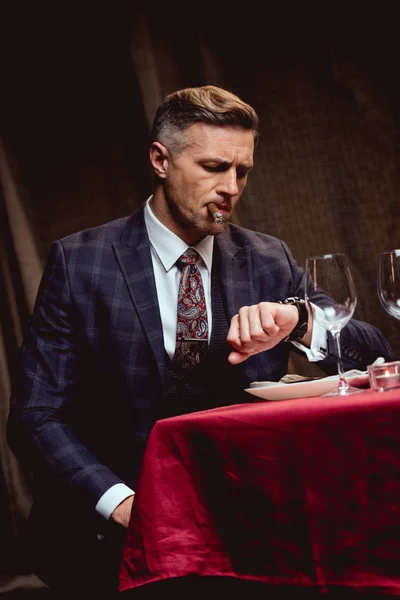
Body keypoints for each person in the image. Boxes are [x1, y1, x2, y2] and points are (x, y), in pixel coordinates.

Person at [7, 85, 393, 597]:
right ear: (160, 160)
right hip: (109, 541)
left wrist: (297, 320)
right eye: (213, 167)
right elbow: (35, 415)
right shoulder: (80, 264)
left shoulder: (266, 258)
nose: (231, 187)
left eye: (243, 171)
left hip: (246, 539)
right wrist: (122, 503)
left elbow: (372, 350)